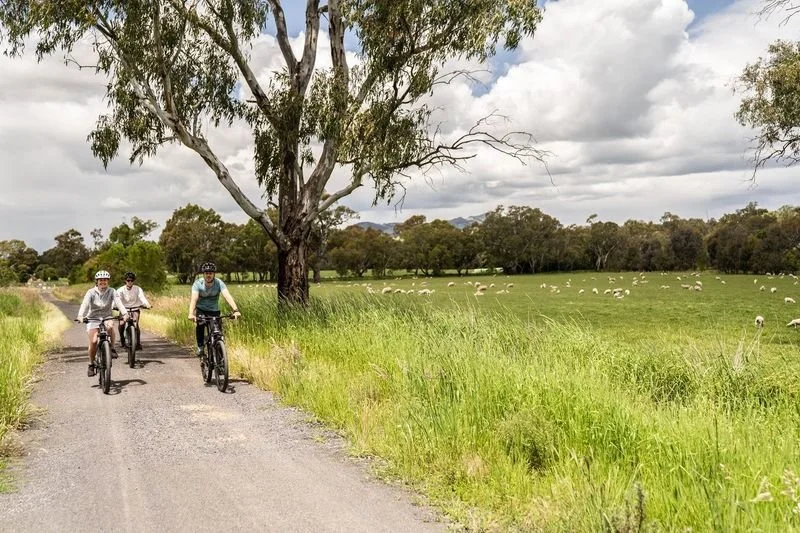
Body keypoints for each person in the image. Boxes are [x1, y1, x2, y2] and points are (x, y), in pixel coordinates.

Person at [76, 270, 128, 377]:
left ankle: (112, 348)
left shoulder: (112, 291)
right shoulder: (90, 292)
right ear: (97, 281)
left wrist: (125, 313)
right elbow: (84, 304)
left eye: (105, 280)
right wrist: (80, 316)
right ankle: (91, 364)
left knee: (110, 327)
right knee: (94, 341)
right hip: (93, 318)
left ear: (108, 281)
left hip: (107, 316)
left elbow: (119, 303)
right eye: (100, 280)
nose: (103, 282)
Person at [188, 262, 241, 357]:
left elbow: (227, 295)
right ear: (203, 274)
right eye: (206, 273)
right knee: (200, 325)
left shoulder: (219, 283)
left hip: (214, 311)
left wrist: (235, 310)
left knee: (217, 333)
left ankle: (220, 356)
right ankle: (200, 347)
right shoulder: (197, 284)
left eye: (210, 273)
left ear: (214, 274)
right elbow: (194, 299)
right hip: (201, 310)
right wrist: (191, 313)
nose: (208, 275)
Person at [115, 271, 152, 350]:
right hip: (124, 310)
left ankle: (138, 343)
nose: (130, 282)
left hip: (135, 309)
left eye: (132, 280)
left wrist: (147, 304)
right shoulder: (120, 290)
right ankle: (122, 339)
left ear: (134, 281)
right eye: (128, 280)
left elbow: (142, 298)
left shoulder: (138, 289)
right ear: (125, 281)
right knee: (121, 324)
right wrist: (114, 306)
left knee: (135, 324)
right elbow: (117, 300)